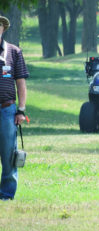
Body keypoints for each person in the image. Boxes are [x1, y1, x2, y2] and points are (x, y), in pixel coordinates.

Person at [0, 16, 29, 201]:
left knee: (9, 153)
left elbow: (21, 83)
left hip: (7, 110)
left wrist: (21, 109)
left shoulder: (14, 51)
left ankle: (6, 194)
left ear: (3, 28)